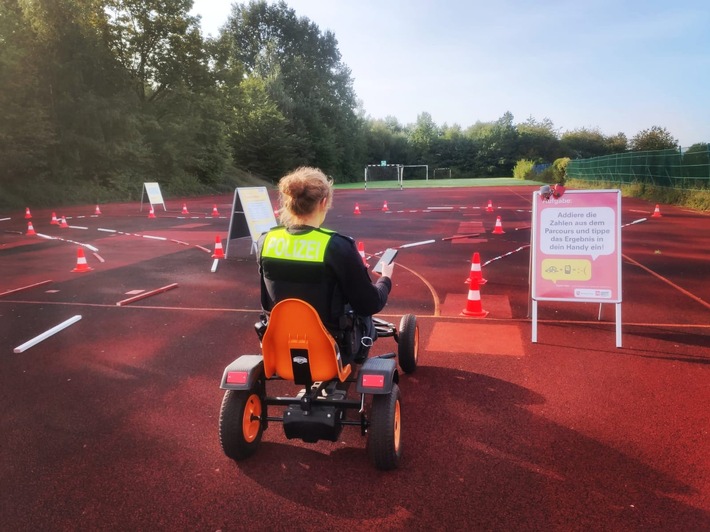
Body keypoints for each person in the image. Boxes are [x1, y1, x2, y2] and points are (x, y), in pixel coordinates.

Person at [256, 166, 394, 364]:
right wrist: (385, 280)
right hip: (332, 349)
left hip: (280, 344)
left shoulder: (265, 241)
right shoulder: (337, 246)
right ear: (323, 202)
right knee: (361, 313)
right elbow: (369, 304)